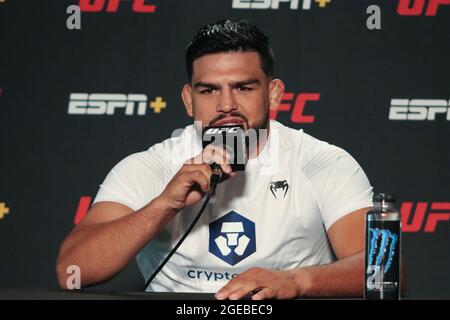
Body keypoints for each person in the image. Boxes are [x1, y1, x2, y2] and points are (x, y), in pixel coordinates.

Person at [56, 19, 373, 300]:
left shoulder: (321, 162)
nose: (226, 105)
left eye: (243, 87)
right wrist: (164, 204)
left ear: (273, 93)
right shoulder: (151, 167)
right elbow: (73, 271)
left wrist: (295, 281)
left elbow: (383, 269)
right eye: (208, 90)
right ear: (188, 100)